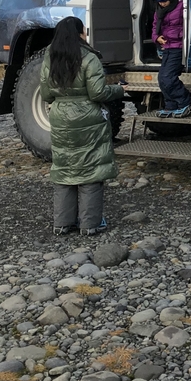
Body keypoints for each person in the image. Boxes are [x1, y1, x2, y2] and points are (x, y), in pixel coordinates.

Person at [39, 16, 125, 236]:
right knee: (90, 169)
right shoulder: (89, 58)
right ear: (79, 33)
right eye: (84, 31)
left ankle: (62, 223)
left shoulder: (50, 58)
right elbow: (98, 93)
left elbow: (47, 94)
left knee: (64, 168)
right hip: (88, 117)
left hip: (60, 116)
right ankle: (90, 224)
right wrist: (119, 90)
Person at [152, 0, 191, 118]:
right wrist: (156, 38)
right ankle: (170, 105)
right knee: (162, 79)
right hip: (166, 47)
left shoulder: (182, 6)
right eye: (160, 1)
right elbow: (155, 27)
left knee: (168, 77)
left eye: (165, 1)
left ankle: (186, 103)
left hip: (177, 47)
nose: (162, 4)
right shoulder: (159, 10)